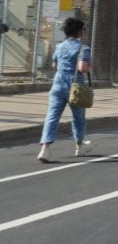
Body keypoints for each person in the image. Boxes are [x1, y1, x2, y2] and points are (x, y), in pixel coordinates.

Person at [37, 18, 93, 162]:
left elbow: (54, 65)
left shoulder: (59, 46)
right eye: (84, 29)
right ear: (80, 31)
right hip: (75, 85)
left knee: (52, 116)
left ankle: (45, 149)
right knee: (78, 117)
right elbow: (82, 68)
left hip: (58, 82)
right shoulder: (83, 48)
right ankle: (79, 146)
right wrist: (90, 67)